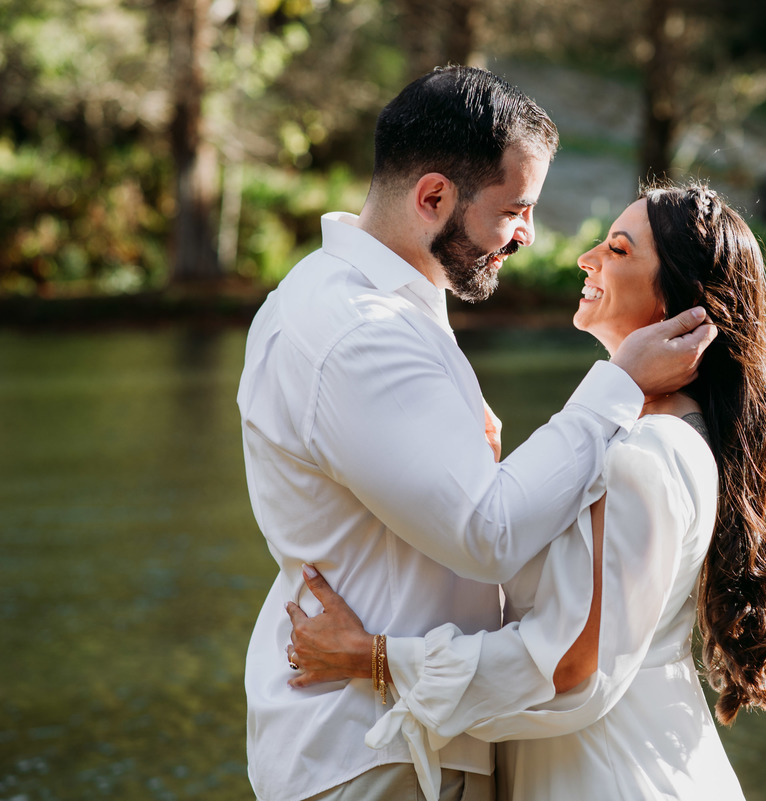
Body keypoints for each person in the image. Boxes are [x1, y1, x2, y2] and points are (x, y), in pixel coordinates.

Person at [286, 184, 766, 800]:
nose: (587, 257)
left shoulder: (649, 456)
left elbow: (569, 667)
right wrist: (486, 474)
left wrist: (374, 658)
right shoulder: (630, 434)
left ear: (677, 303)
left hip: (613, 778)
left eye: (617, 248)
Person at [237, 67, 717, 801]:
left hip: (409, 734)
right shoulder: (361, 333)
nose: (529, 235)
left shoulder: (383, 303)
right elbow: (486, 532)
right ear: (433, 197)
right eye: (515, 209)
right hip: (374, 747)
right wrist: (616, 384)